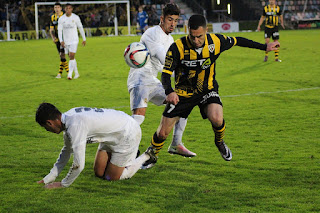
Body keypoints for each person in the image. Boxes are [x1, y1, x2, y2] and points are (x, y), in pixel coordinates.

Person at [143, 14, 280, 167]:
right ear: (188, 31)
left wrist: (264, 47)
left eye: (199, 37)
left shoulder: (216, 41)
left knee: (217, 118)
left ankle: (219, 142)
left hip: (207, 90)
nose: (196, 41)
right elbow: (166, 73)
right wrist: (169, 91)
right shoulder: (177, 47)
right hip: (183, 93)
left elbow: (238, 41)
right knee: (162, 133)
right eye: (192, 36)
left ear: (206, 30)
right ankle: (152, 153)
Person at [127, 3, 196, 164]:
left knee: (183, 101)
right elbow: (165, 59)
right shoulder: (152, 33)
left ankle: (176, 143)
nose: (173, 24)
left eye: (176, 20)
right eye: (170, 20)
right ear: (162, 18)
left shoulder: (170, 38)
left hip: (152, 80)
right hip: (140, 79)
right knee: (138, 119)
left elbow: (169, 66)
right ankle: (122, 144)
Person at [36, 103, 157, 189]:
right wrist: (50, 176)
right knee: (99, 173)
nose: (47, 130)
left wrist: (63, 184)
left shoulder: (75, 125)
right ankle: (126, 157)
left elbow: (79, 165)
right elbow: (67, 151)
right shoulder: (68, 118)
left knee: (112, 177)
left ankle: (146, 156)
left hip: (127, 134)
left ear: (49, 123)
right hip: (112, 134)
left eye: (45, 127)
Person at [58, 3, 86, 80]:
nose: (68, 10)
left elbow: (80, 27)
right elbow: (59, 30)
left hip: (74, 40)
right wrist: (61, 40)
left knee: (71, 56)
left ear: (72, 9)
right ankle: (76, 73)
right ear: (64, 9)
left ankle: (69, 75)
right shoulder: (61, 19)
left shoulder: (76, 17)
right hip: (66, 41)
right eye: (67, 8)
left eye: (69, 8)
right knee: (71, 57)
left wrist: (84, 39)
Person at [49, 2, 69, 79]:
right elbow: (51, 29)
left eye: (58, 7)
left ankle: (65, 73)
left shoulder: (65, 16)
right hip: (57, 39)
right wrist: (53, 37)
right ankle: (61, 73)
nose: (56, 9)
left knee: (62, 55)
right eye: (55, 7)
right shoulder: (52, 17)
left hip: (64, 39)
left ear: (61, 8)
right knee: (61, 56)